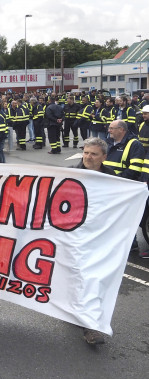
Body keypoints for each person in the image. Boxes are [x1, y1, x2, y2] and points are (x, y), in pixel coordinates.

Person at [70, 137, 114, 345]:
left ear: (104, 157)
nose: (88, 157)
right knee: (73, 279)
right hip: (72, 239)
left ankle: (91, 327)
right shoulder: (70, 174)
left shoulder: (114, 180)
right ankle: (73, 309)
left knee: (93, 281)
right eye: (86, 152)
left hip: (98, 241)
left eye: (93, 154)